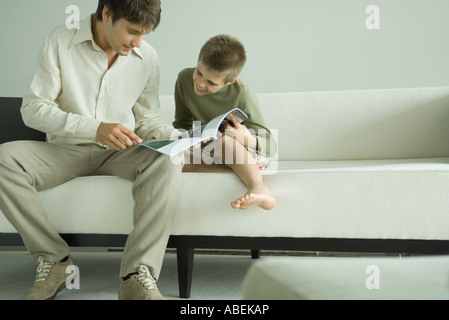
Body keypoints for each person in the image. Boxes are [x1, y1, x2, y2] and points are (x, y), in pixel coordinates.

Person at [0, 0, 182, 300]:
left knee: (169, 157)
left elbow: (148, 119)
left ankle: (136, 275)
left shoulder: (147, 57)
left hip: (121, 151)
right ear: (107, 13)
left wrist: (180, 138)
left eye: (145, 34)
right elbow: (33, 109)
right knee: (3, 160)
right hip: (64, 151)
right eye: (133, 32)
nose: (139, 42)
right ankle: (55, 261)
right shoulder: (60, 41)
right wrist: (93, 128)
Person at [173, 34, 277, 210]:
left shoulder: (242, 93)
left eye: (211, 83)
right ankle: (242, 170)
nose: (199, 83)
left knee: (224, 142)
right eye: (199, 72)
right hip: (209, 153)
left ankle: (259, 188)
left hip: (238, 149)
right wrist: (187, 141)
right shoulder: (184, 79)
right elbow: (181, 124)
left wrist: (247, 139)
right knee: (169, 160)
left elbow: (270, 145)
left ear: (230, 81)